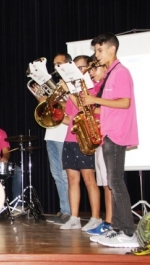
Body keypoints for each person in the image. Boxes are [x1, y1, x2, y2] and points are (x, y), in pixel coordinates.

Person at [81, 32, 139, 248]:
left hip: (116, 133)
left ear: (112, 49)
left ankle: (128, 232)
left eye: (99, 50)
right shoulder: (110, 75)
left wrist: (94, 99)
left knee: (115, 182)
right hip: (109, 132)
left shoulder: (121, 72)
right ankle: (117, 229)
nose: (97, 55)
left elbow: (124, 103)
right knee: (113, 183)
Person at [59, 55, 101, 230]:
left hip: (85, 138)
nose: (77, 71)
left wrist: (69, 91)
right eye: (74, 68)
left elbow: (85, 107)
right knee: (72, 179)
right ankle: (74, 217)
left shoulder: (93, 87)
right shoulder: (72, 92)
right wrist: (55, 114)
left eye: (81, 67)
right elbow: (70, 119)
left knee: (89, 179)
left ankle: (96, 217)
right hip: (70, 138)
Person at [34, 53, 71, 225]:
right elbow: (44, 108)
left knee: (65, 175)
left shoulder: (71, 84)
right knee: (56, 175)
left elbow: (69, 109)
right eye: (54, 64)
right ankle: (64, 210)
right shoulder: (54, 86)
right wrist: (39, 96)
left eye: (59, 64)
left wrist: (52, 99)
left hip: (65, 135)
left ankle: (70, 212)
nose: (56, 67)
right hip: (51, 135)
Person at [85, 57, 113, 236]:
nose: (92, 73)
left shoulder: (106, 87)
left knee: (110, 184)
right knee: (104, 184)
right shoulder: (96, 88)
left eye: (95, 69)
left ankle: (111, 222)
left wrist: (90, 106)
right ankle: (108, 221)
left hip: (107, 138)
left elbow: (109, 109)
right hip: (98, 139)